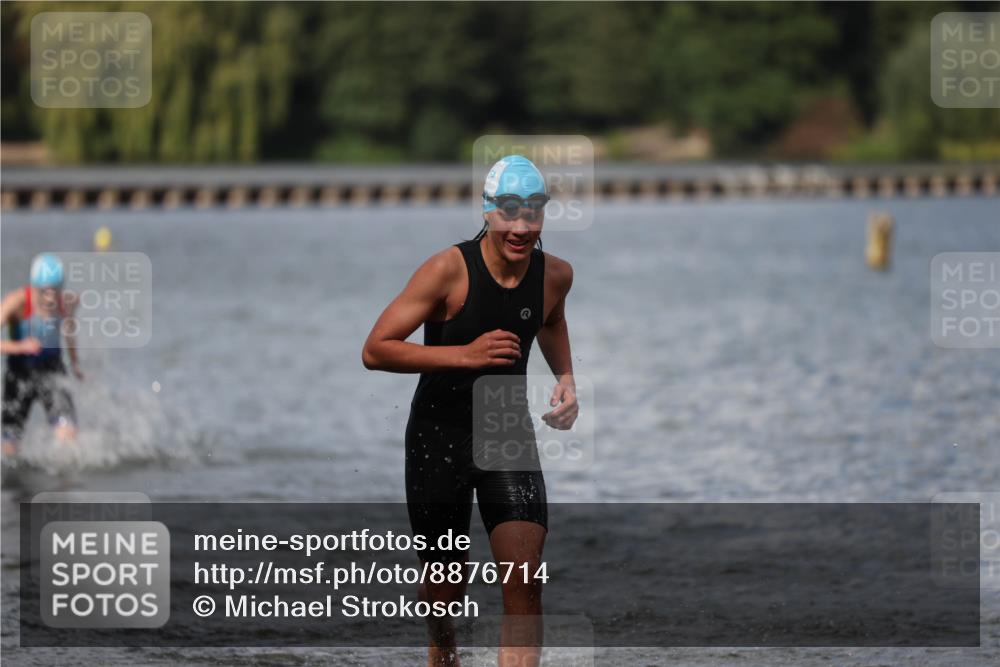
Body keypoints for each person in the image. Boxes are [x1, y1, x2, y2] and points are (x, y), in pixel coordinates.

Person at [363, 155, 578, 667]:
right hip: (439, 435)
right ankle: (444, 655)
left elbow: (551, 322)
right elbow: (376, 349)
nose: (522, 227)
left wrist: (566, 379)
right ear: (487, 211)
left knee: (524, 582)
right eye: (509, 212)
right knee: (446, 590)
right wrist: (465, 355)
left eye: (533, 212)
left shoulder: (556, 275)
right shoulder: (447, 270)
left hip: (505, 426)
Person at [1, 253, 82, 460]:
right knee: (10, 445)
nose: (50, 299)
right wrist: (19, 347)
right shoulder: (17, 302)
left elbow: (69, 332)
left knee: (68, 433)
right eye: (44, 292)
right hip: (20, 373)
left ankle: (65, 486)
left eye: (55, 292)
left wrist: (75, 364)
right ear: (34, 287)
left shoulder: (66, 302)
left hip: (52, 370)